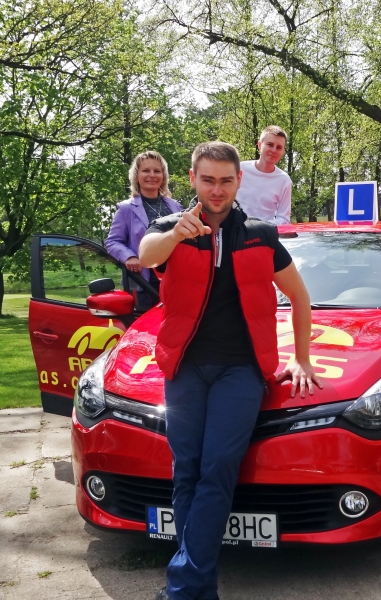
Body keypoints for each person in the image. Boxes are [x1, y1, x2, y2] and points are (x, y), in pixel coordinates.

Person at [138, 141, 321, 600]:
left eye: (225, 180)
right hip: (184, 368)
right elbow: (147, 254)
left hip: (240, 371)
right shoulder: (170, 228)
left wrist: (301, 358)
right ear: (193, 179)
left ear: (239, 181)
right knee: (187, 471)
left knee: (218, 467)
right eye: (207, 180)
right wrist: (176, 235)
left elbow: (300, 297)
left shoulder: (260, 234)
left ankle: (183, 587)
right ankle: (198, 588)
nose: (216, 190)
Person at [106, 151, 183, 310]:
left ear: (163, 176)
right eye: (146, 170)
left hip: (177, 280)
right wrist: (129, 257)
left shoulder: (176, 206)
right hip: (145, 284)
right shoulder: (126, 209)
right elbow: (112, 242)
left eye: (157, 171)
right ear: (136, 176)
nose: (152, 175)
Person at [236, 125, 292, 224]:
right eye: (270, 144)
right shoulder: (239, 169)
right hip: (235, 229)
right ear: (259, 145)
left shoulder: (284, 180)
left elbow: (284, 220)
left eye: (279, 147)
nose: (274, 150)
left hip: (264, 232)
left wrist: (260, 226)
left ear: (283, 151)